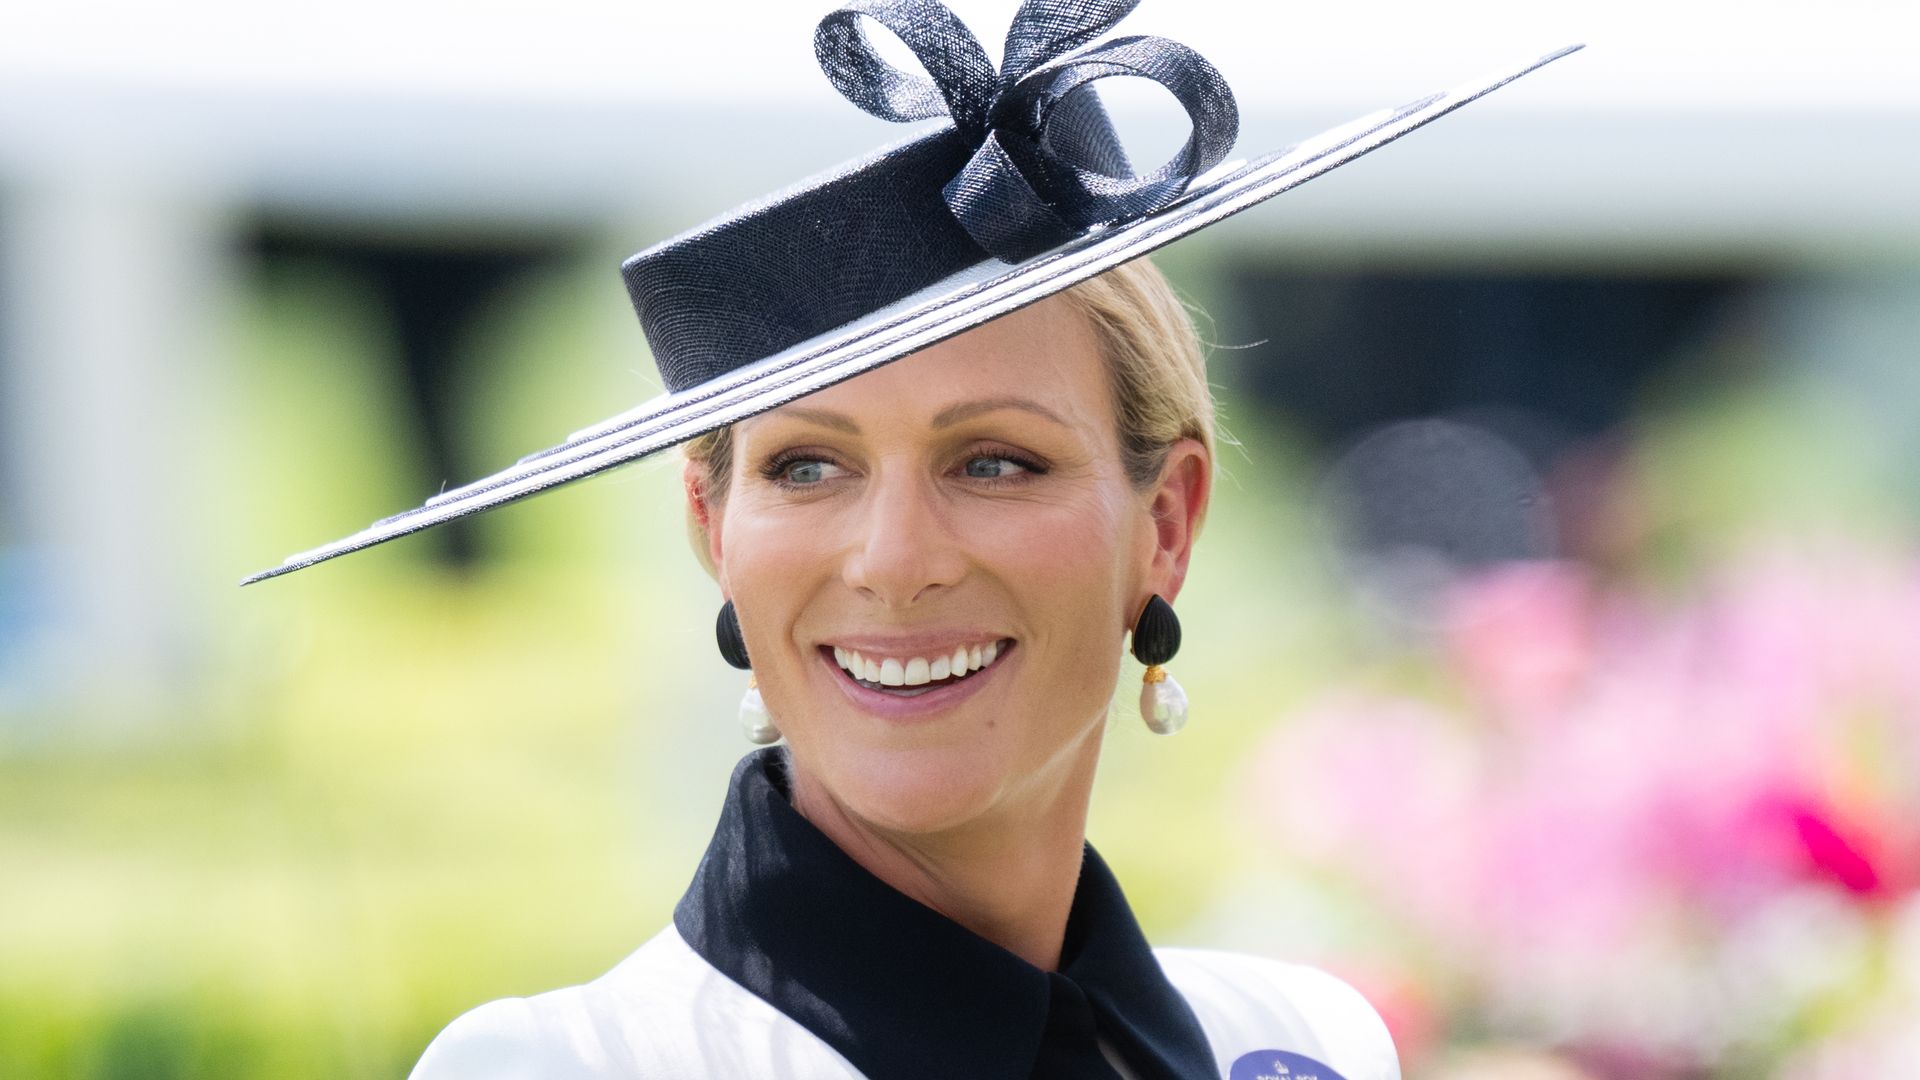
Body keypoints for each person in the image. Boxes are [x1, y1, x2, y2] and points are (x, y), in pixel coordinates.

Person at [244, 2, 1576, 1075]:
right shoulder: (561, 1067)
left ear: (1164, 525)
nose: (893, 556)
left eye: (994, 461)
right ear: (714, 528)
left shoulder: (1298, 1046)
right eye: (808, 466)